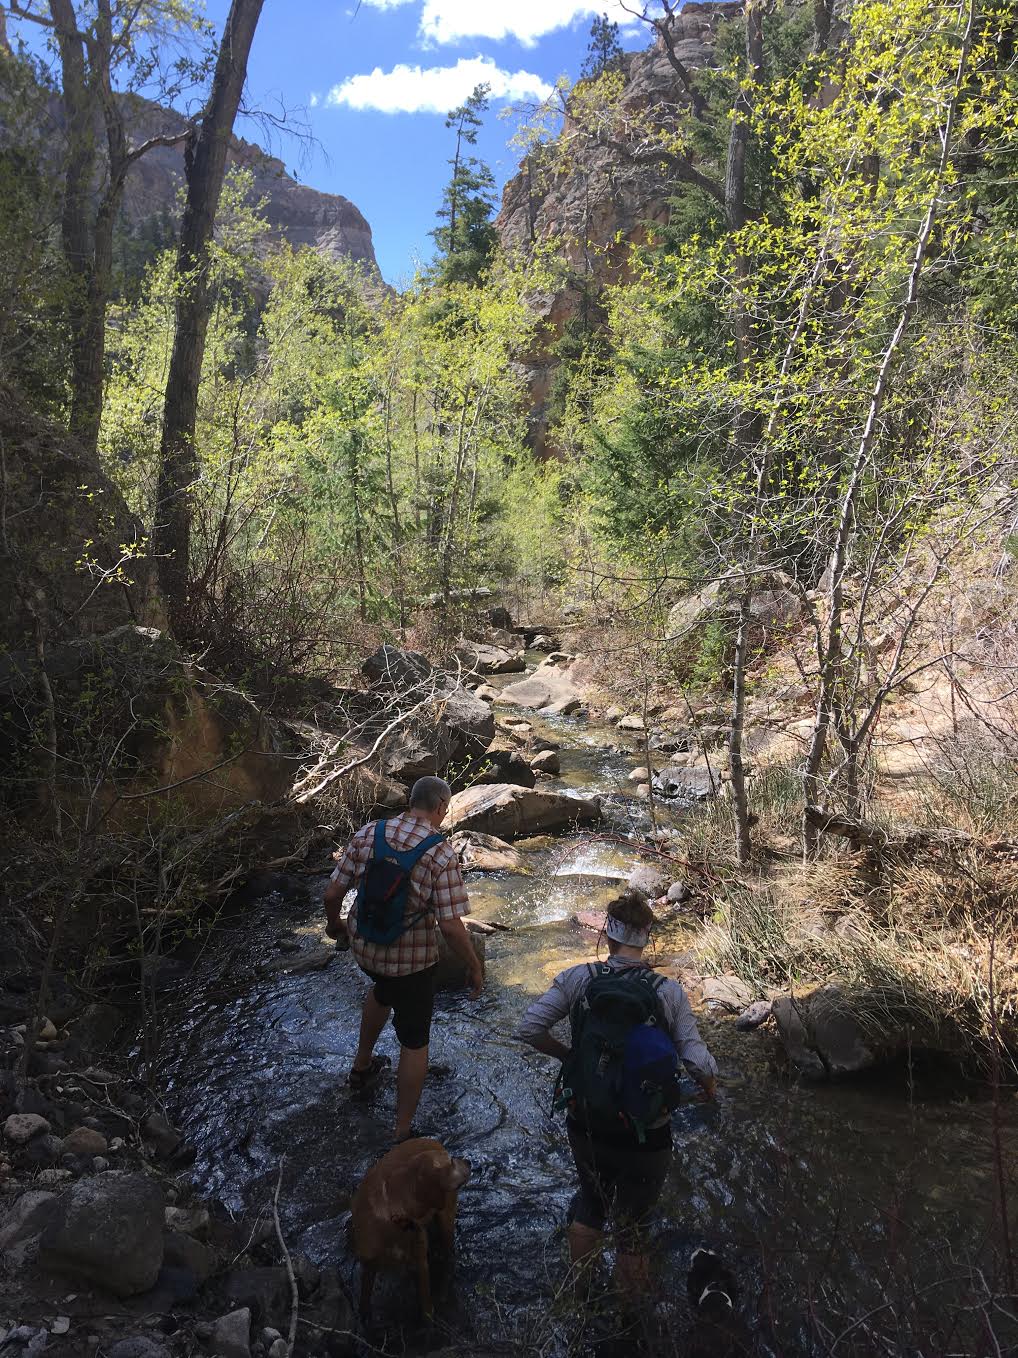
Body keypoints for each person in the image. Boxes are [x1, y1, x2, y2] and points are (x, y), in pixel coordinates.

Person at [515, 889, 717, 1292]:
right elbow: (698, 1061)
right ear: (646, 935)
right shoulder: (668, 991)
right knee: (635, 1223)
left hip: (588, 1117)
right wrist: (709, 1089)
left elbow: (528, 1028)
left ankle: (582, 1296)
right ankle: (628, 1319)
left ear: (608, 934)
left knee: (591, 1202)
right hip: (647, 1126)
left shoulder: (577, 978)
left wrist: (570, 1057)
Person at [325, 776, 483, 1142]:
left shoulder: (370, 833)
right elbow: (450, 926)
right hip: (411, 963)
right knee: (414, 1040)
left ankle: (362, 1066)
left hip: (365, 951)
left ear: (411, 801)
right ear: (441, 807)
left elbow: (333, 892)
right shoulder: (440, 852)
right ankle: (402, 1131)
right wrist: (473, 965)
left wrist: (336, 928)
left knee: (383, 989)